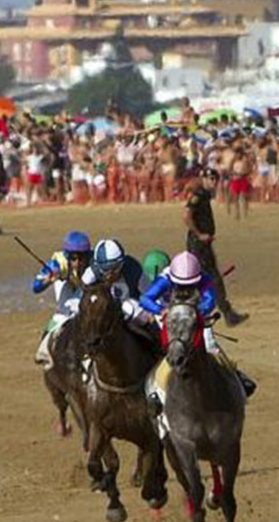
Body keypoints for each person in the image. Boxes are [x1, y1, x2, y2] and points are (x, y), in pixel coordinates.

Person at [140, 251, 256, 397]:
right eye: (180, 284)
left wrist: (194, 312)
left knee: (211, 344)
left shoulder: (204, 278)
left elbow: (209, 301)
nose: (184, 287)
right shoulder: (165, 278)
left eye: (189, 284)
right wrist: (161, 310)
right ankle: (153, 393)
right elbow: (146, 299)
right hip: (169, 316)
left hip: (194, 316)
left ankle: (235, 378)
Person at [184, 168, 248, 326]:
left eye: (215, 179)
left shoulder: (204, 195)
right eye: (211, 178)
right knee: (211, 278)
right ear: (204, 178)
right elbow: (186, 215)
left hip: (203, 243)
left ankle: (223, 313)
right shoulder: (198, 195)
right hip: (199, 244)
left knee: (206, 278)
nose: (213, 182)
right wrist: (199, 234)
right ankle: (224, 313)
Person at [32, 231, 92, 369]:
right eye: (73, 258)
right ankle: (44, 347)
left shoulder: (94, 261)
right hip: (65, 285)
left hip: (84, 287)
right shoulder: (57, 264)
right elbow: (35, 287)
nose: (78, 263)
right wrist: (48, 280)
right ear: (67, 256)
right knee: (62, 316)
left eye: (82, 258)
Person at [81, 238, 148, 326]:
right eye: (105, 270)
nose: (109, 275)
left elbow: (148, 293)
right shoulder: (90, 276)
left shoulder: (134, 270)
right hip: (103, 308)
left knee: (130, 308)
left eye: (114, 269)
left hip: (130, 305)